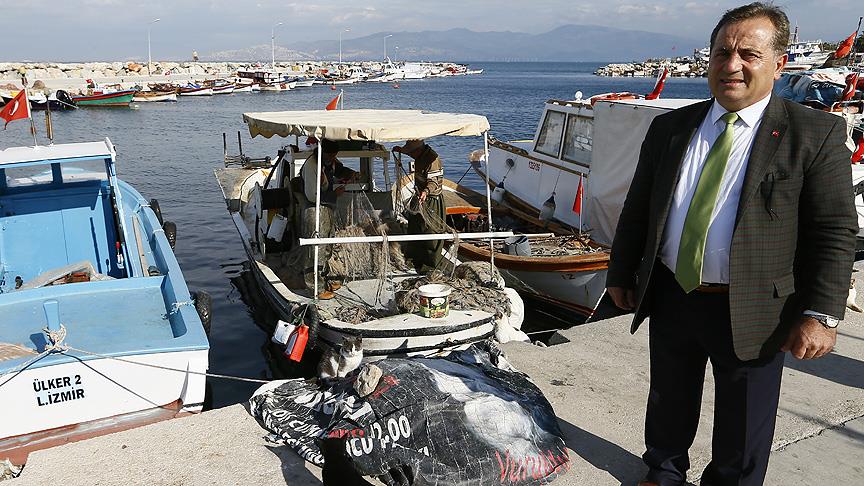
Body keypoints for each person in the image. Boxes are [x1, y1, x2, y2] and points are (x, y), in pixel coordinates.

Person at [605, 3, 857, 486]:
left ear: (780, 63)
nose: (732, 65)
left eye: (749, 54)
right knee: (668, 399)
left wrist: (821, 314)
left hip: (756, 305)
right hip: (674, 293)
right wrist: (620, 273)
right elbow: (639, 208)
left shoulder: (814, 133)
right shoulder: (671, 128)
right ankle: (663, 471)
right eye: (722, 52)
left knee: (744, 421)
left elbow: (834, 229)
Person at [300, 138, 356, 299]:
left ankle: (326, 280)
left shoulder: (328, 161)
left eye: (334, 155)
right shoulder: (311, 165)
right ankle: (315, 288)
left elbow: (339, 170)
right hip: (313, 208)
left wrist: (351, 173)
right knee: (315, 249)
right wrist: (334, 194)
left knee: (328, 246)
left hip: (327, 206)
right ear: (322, 152)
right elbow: (312, 195)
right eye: (330, 155)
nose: (333, 158)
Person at [394, 139, 447, 272]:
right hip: (418, 197)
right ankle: (413, 259)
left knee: (430, 233)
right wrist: (400, 150)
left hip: (431, 201)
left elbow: (434, 182)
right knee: (414, 226)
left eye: (410, 153)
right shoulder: (419, 153)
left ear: (417, 151)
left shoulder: (432, 159)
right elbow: (409, 152)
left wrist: (425, 192)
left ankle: (430, 265)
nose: (409, 155)